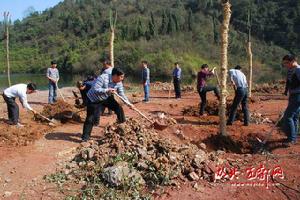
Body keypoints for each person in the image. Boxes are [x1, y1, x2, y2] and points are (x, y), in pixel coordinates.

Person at [81, 68, 132, 141]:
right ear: (114, 75)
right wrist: (107, 90)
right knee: (90, 118)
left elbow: (122, 94)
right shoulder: (103, 77)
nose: (122, 79)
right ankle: (85, 137)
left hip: (106, 97)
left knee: (118, 108)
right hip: (94, 99)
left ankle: (122, 127)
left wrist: (128, 103)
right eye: (121, 77)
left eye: (123, 77)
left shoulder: (119, 83)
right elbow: (96, 89)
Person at [281, 55, 300, 146]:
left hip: (298, 96)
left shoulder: (298, 70)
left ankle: (291, 139)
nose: (285, 65)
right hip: (292, 95)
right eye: (284, 63)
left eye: (286, 63)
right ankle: (293, 137)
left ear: (292, 61)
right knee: (294, 117)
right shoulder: (290, 70)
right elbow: (288, 82)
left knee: (288, 116)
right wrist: (286, 91)